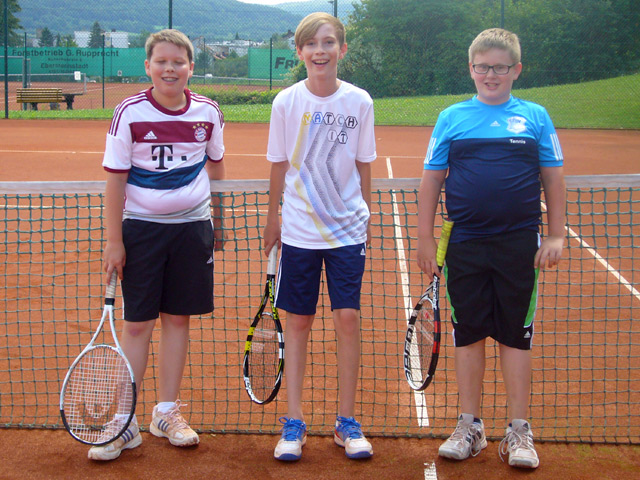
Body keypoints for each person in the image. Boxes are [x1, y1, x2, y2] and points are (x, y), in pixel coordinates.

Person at [417, 28, 566, 469]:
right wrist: (424, 237)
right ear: (471, 69)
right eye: (483, 67)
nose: (491, 74)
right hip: (464, 243)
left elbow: (553, 178)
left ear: (516, 70)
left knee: (516, 336)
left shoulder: (535, 117)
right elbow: (432, 180)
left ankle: (519, 431)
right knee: (468, 334)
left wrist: (556, 235)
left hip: (520, 244)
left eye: (500, 67)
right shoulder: (451, 117)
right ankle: (470, 426)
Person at [89, 28, 225, 461]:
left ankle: (166, 413)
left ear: (190, 67)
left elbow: (216, 167)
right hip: (141, 231)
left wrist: (218, 222)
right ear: (148, 66)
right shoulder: (128, 112)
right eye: (161, 62)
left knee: (178, 320)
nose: (170, 68)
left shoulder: (208, 112)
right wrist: (114, 240)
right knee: (136, 325)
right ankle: (123, 421)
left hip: (192, 229)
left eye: (178, 62)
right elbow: (115, 181)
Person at [263, 12, 376, 462]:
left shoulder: (359, 101)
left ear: (342, 49)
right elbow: (278, 164)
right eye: (311, 44)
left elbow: (364, 163)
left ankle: (346, 421)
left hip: (347, 230)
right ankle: (294, 421)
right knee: (298, 322)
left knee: (347, 317)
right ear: (300, 52)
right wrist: (272, 218)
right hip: (299, 231)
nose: (320, 51)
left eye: (328, 42)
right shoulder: (286, 102)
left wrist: (366, 214)